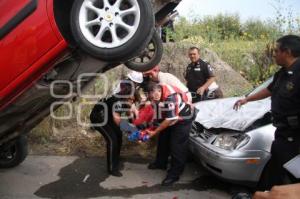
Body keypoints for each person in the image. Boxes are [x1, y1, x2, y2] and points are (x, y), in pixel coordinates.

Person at [233, 35, 300, 191]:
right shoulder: (282, 73)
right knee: (276, 173)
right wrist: (247, 99)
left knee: (292, 178)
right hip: (282, 134)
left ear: (287, 52)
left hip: (296, 140)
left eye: (277, 51)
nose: (274, 54)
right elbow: (269, 90)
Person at [90, 71, 143, 177]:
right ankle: (112, 169)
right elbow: (118, 120)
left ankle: (115, 158)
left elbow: (130, 113)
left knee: (118, 135)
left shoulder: (127, 92)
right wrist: (131, 130)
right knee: (112, 139)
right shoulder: (119, 100)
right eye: (131, 100)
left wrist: (136, 127)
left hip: (108, 115)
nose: (132, 102)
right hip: (99, 117)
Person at [146, 82, 195, 186]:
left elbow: (170, 119)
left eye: (155, 97)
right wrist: (153, 122)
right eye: (151, 98)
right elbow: (156, 107)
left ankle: (174, 174)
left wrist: (154, 131)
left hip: (183, 118)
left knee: (177, 146)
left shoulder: (170, 97)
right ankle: (160, 163)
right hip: (170, 116)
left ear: (159, 92)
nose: (153, 100)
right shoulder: (155, 91)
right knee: (163, 139)